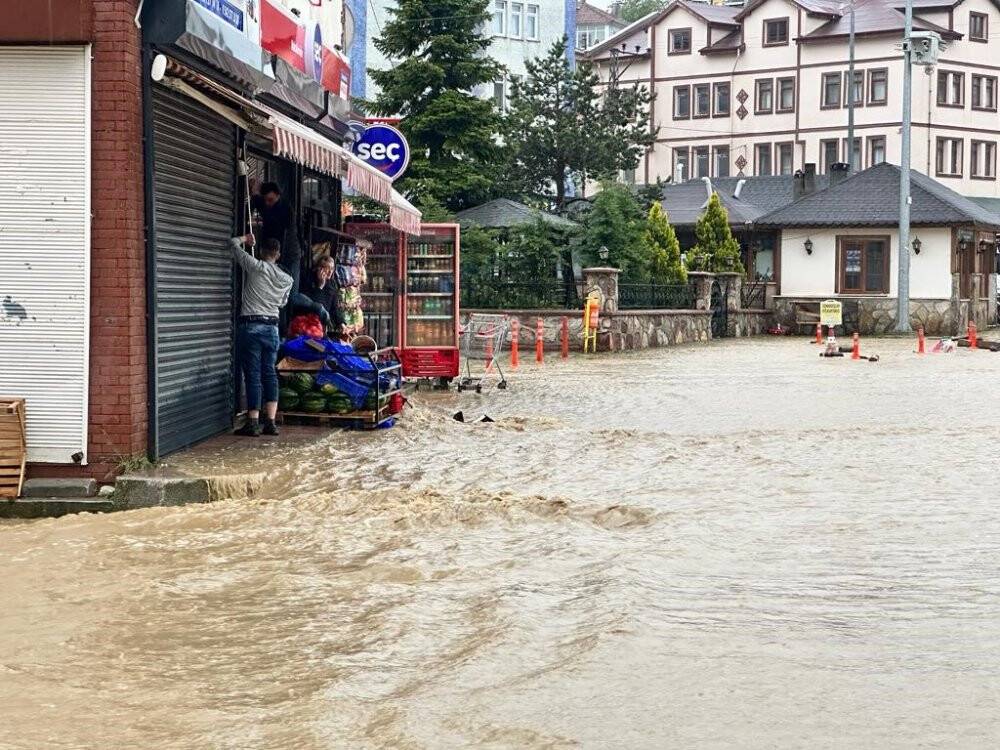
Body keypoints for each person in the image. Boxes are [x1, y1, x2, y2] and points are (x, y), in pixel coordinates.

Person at [230, 234, 293, 437]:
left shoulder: (255, 266)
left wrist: (245, 238)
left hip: (251, 326)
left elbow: (231, 244)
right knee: (270, 374)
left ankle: (253, 422)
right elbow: (282, 303)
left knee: (253, 375)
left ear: (262, 251)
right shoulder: (287, 279)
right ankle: (271, 422)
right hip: (272, 329)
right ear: (278, 254)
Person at [252, 182, 302, 292]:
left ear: (278, 196)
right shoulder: (266, 204)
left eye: (270, 200)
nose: (267, 203)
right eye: (265, 199)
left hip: (290, 255)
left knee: (291, 294)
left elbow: (284, 235)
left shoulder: (286, 209)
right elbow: (257, 202)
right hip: (274, 255)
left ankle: (318, 308)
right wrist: (255, 193)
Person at [291, 255, 346, 337]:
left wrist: (341, 322)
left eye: (332, 268)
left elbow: (335, 307)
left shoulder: (332, 284)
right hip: (305, 326)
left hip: (321, 327)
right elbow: (307, 303)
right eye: (327, 268)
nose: (330, 272)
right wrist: (320, 287)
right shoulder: (307, 279)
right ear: (319, 268)